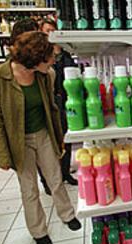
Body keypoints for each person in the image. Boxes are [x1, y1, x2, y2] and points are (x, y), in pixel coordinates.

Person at [0, 31, 81, 244]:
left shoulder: (47, 75)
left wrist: (59, 137)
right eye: (50, 57)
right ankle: (38, 230)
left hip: (43, 133)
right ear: (36, 59)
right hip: (18, 140)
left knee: (55, 178)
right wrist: (2, 155)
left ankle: (67, 214)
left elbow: (52, 108)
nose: (54, 60)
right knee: (29, 188)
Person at [39, 18, 78, 187]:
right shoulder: (40, 57)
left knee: (65, 138)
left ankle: (65, 172)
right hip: (49, 102)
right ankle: (48, 180)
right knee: (50, 141)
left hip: (65, 101)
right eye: (47, 31)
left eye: (53, 31)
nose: (51, 35)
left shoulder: (65, 55)